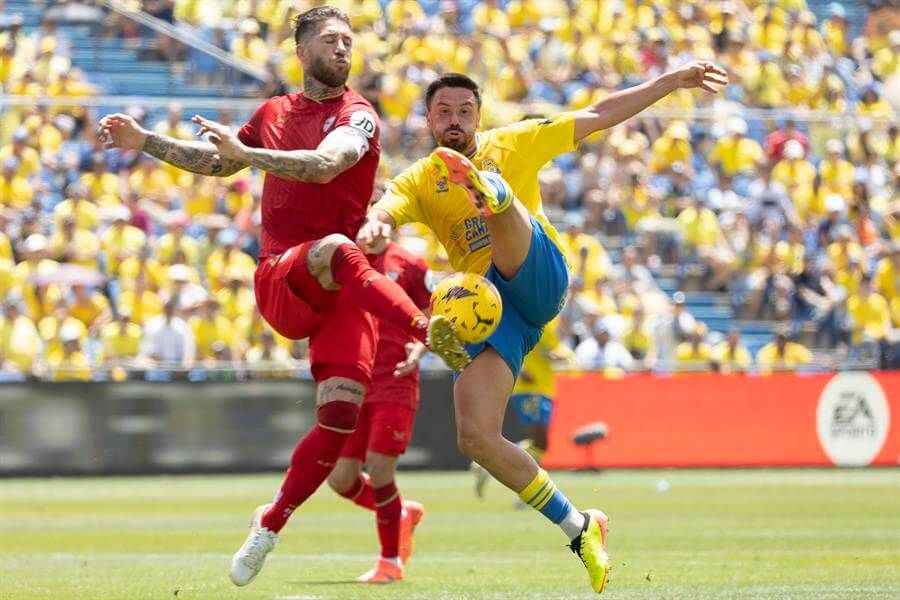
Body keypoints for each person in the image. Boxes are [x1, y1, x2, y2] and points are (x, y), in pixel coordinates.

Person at [98, 6, 468, 587]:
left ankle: (270, 523)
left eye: (349, 40)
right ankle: (431, 332)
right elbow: (219, 164)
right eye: (330, 40)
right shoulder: (272, 113)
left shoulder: (359, 116)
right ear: (301, 51)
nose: (343, 48)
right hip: (286, 275)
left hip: (349, 295)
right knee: (340, 247)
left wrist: (250, 159)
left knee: (340, 416)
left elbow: (326, 165)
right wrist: (145, 140)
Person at [358, 62, 727, 593]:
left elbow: (598, 114)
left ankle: (494, 196)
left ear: (479, 116)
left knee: (493, 221)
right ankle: (581, 528)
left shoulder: (514, 142)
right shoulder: (420, 178)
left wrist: (671, 81)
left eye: (465, 110)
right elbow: (389, 208)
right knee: (477, 437)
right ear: (428, 121)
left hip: (537, 270)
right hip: (497, 312)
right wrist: (377, 223)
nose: (455, 119)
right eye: (444, 112)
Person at [326, 237, 430, 583]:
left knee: (381, 468)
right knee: (341, 479)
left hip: (395, 377)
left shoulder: (410, 263)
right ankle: (400, 512)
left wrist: (420, 347)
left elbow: (432, 312)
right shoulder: (342, 258)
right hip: (355, 377)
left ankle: (390, 563)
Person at [472, 318, 574, 499]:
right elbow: (516, 343)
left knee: (539, 443)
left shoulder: (550, 321)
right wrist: (522, 367)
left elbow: (551, 349)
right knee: (540, 442)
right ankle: (524, 491)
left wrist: (560, 355)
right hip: (530, 388)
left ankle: (489, 465)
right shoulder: (529, 317)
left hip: (543, 386)